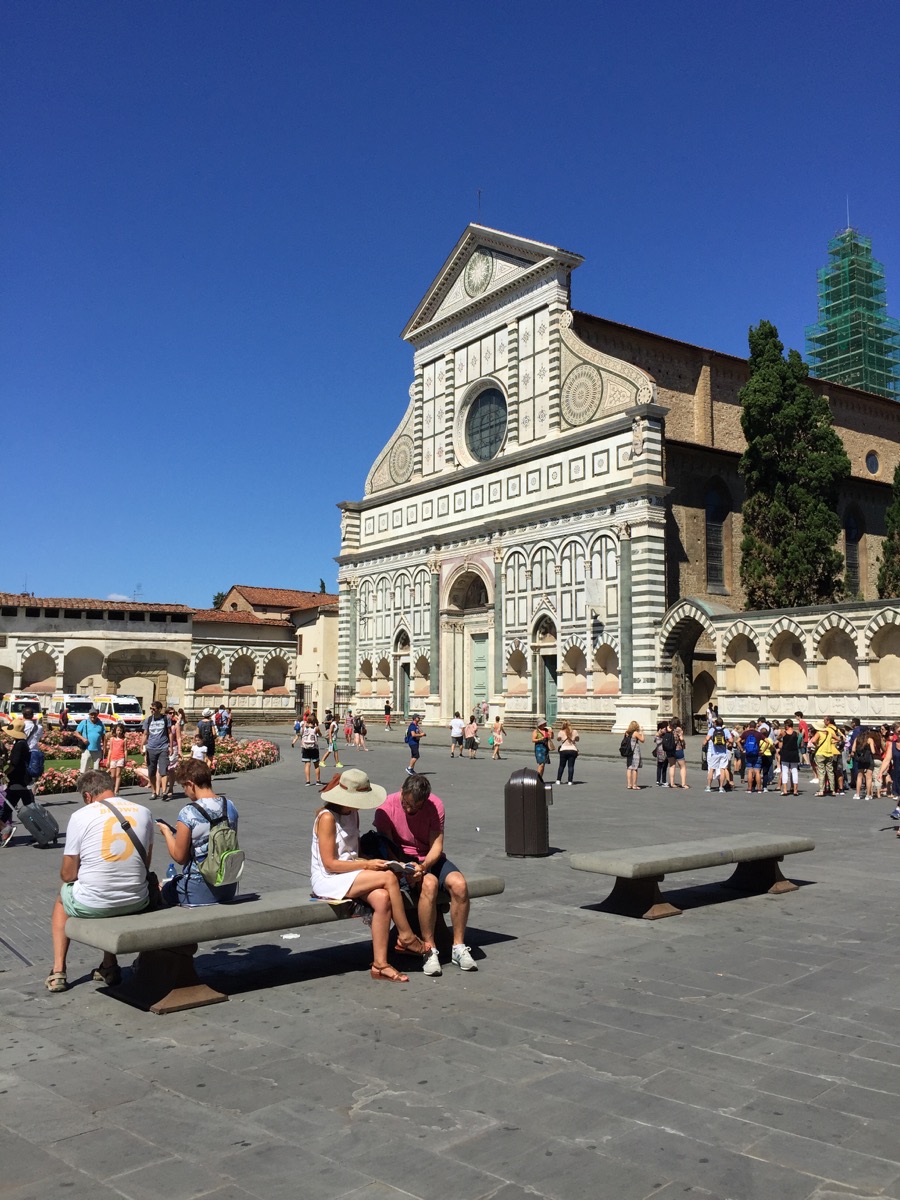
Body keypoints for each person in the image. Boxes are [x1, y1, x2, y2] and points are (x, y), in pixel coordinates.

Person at [310, 769, 426, 983]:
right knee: (389, 879)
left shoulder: (352, 813)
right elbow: (330, 863)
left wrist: (391, 864)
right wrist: (368, 865)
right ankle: (405, 935)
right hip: (328, 878)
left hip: (351, 871)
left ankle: (380, 964)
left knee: (382, 897)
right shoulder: (327, 818)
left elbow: (354, 854)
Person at [46, 769, 154, 993]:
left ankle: (58, 971)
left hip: (94, 903)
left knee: (61, 899)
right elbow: (146, 865)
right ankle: (109, 965)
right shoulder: (144, 811)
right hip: (137, 900)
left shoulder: (81, 816)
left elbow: (68, 875)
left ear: (87, 797)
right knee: (111, 889)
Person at [374, 773, 477, 977]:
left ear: (425, 801)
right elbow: (386, 848)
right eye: (406, 803)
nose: (409, 809)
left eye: (415, 806)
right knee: (429, 884)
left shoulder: (435, 805)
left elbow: (436, 845)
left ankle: (458, 946)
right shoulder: (385, 808)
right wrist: (405, 870)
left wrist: (423, 867)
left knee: (459, 885)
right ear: (401, 792)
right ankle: (429, 950)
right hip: (401, 859)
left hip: (429, 858)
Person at [156, 758, 240, 907]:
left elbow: (179, 857)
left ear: (191, 784)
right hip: (228, 885)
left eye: (184, 787)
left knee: (162, 888)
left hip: (197, 887)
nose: (185, 792)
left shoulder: (189, 812)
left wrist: (167, 833)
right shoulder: (230, 806)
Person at [0, 717, 34, 845]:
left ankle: (38, 830)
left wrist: (4, 773)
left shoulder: (19, 745)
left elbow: (14, 764)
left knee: (28, 809)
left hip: (18, 781)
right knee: (9, 808)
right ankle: (4, 830)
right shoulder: (21, 743)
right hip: (20, 781)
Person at [141, 700, 171, 800]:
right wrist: (141, 746)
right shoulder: (148, 720)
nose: (152, 711)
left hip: (163, 747)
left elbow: (170, 733)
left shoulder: (166, 718)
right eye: (151, 709)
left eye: (153, 709)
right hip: (151, 748)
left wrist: (170, 746)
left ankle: (164, 792)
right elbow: (145, 734)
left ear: (159, 709)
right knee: (151, 772)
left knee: (163, 771)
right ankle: (154, 792)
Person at [811, 715, 841, 797]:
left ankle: (821, 790)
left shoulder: (819, 733)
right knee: (830, 772)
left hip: (820, 753)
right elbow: (838, 739)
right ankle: (832, 790)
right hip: (829, 753)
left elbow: (813, 740)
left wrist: (817, 745)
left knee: (821, 772)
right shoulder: (829, 732)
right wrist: (831, 742)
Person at [703, 717, 733, 792]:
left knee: (712, 769)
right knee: (722, 769)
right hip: (723, 753)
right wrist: (728, 742)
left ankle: (708, 787)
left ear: (716, 723)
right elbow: (731, 740)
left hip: (714, 753)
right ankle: (721, 788)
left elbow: (706, 739)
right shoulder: (725, 730)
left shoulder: (712, 730)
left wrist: (704, 744)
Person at [74, 707, 106, 774]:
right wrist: (83, 738)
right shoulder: (84, 722)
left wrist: (104, 748)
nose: (93, 716)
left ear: (97, 714)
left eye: (94, 714)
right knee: (84, 768)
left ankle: (95, 783)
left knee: (97, 770)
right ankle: (82, 782)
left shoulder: (101, 724)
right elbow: (76, 733)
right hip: (87, 749)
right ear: (89, 714)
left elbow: (104, 736)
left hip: (97, 749)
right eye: (91, 714)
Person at [776, 719, 802, 796]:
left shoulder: (783, 733)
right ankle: (795, 790)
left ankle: (785, 790)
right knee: (794, 771)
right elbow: (800, 742)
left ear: (786, 725)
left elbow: (778, 738)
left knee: (784, 771)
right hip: (794, 753)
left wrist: (781, 740)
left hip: (785, 752)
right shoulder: (796, 733)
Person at [104, 722, 128, 797]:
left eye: (120, 730)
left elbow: (125, 750)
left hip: (120, 757)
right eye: (118, 730)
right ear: (115, 731)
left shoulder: (124, 739)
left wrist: (125, 759)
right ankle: (113, 788)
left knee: (118, 774)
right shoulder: (112, 739)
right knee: (113, 775)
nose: (119, 732)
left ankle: (116, 790)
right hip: (113, 758)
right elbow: (110, 750)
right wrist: (108, 760)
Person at [739, 721, 762, 794]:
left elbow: (737, 741)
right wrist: (762, 750)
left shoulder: (745, 733)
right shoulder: (758, 734)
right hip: (757, 753)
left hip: (748, 754)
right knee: (757, 771)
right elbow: (767, 741)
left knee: (749, 771)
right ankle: (759, 788)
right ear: (755, 726)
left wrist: (742, 749)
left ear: (749, 726)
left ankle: (749, 788)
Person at [300, 714, 322, 786]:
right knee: (316, 765)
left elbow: (301, 734)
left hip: (305, 748)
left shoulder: (304, 728)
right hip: (314, 748)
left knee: (307, 764)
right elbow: (320, 735)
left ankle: (308, 781)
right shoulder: (316, 728)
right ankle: (318, 781)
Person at [555, 720, 580, 785]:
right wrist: (575, 737)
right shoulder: (574, 731)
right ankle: (570, 781)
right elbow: (577, 739)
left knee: (561, 766)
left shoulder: (561, 732)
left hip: (563, 750)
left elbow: (558, 739)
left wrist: (560, 738)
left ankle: (558, 780)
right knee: (571, 766)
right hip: (573, 750)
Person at [669, 719, 689, 789]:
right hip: (678, 749)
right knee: (682, 767)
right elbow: (681, 738)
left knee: (672, 766)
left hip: (670, 750)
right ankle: (683, 784)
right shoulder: (678, 729)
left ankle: (672, 783)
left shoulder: (669, 729)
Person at [624, 720, 643, 789]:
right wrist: (642, 732)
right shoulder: (635, 733)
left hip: (628, 751)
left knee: (629, 768)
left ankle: (629, 784)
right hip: (635, 752)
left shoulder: (627, 732)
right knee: (635, 768)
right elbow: (642, 740)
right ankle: (634, 785)